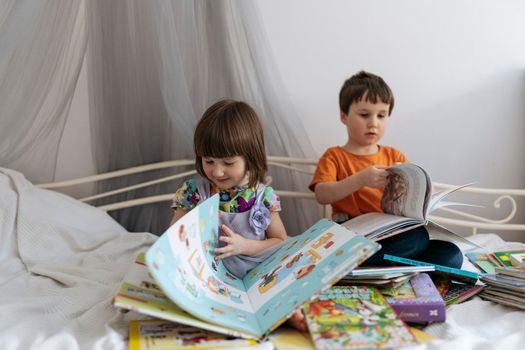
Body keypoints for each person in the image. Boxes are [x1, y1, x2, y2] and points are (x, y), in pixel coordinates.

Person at [309, 71, 463, 269]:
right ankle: (356, 263)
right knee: (415, 240)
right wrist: (360, 179)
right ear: (343, 116)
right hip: (352, 236)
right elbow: (322, 194)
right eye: (364, 115)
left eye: (381, 116)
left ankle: (373, 267)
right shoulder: (334, 156)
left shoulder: (394, 156)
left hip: (391, 235)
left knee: (450, 255)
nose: (374, 122)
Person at [170, 99, 287, 279]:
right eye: (208, 161)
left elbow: (280, 241)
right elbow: (173, 238)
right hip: (208, 276)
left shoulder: (264, 197)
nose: (217, 171)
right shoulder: (193, 193)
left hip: (257, 275)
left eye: (228, 162)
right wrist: (196, 224)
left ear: (251, 157)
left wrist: (245, 246)